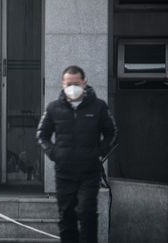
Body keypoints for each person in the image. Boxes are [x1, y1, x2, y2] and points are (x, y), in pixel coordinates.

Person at [36, 65, 117, 243]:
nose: (73, 87)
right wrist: (54, 153)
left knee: (87, 213)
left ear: (84, 82)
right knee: (66, 216)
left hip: (89, 172)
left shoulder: (98, 107)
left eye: (76, 83)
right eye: (69, 83)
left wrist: (99, 151)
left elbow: (112, 133)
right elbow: (42, 135)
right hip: (64, 172)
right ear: (63, 84)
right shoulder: (53, 108)